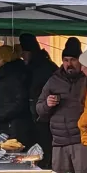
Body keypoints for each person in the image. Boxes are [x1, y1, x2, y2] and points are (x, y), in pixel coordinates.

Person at [37, 37, 87, 173]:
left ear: (80, 61)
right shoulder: (53, 80)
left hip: (81, 141)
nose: (69, 64)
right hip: (59, 143)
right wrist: (47, 104)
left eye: (73, 60)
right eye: (66, 60)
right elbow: (39, 109)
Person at [0, 43, 35, 145]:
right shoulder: (2, 76)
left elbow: (20, 102)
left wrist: (0, 115)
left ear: (6, 59)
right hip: (5, 125)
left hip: (16, 127)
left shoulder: (17, 76)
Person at [20, 34, 57, 163]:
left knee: (44, 150)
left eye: (24, 53)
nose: (22, 57)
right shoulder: (40, 64)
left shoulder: (41, 67)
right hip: (39, 115)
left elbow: (37, 92)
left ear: (30, 52)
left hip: (44, 116)